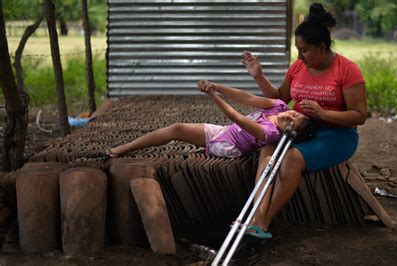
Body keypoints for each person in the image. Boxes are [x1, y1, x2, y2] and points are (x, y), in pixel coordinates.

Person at [241, 3, 367, 239]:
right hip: (299, 130)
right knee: (267, 148)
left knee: (292, 158)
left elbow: (360, 116)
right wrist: (259, 76)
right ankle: (257, 214)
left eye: (305, 50)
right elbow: (280, 97)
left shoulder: (348, 70)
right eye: (297, 50)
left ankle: (263, 222)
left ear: (322, 46)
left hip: (338, 135)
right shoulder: (299, 66)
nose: (300, 56)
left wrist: (323, 113)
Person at [103, 80, 312, 159]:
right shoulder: (279, 105)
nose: (290, 115)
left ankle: (124, 149)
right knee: (177, 128)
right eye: (295, 112)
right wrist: (217, 86)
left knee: (181, 133)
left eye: (292, 121)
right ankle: (126, 147)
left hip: (228, 144)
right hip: (226, 130)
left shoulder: (270, 133)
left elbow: (235, 116)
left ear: (288, 132)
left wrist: (212, 95)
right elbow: (247, 98)